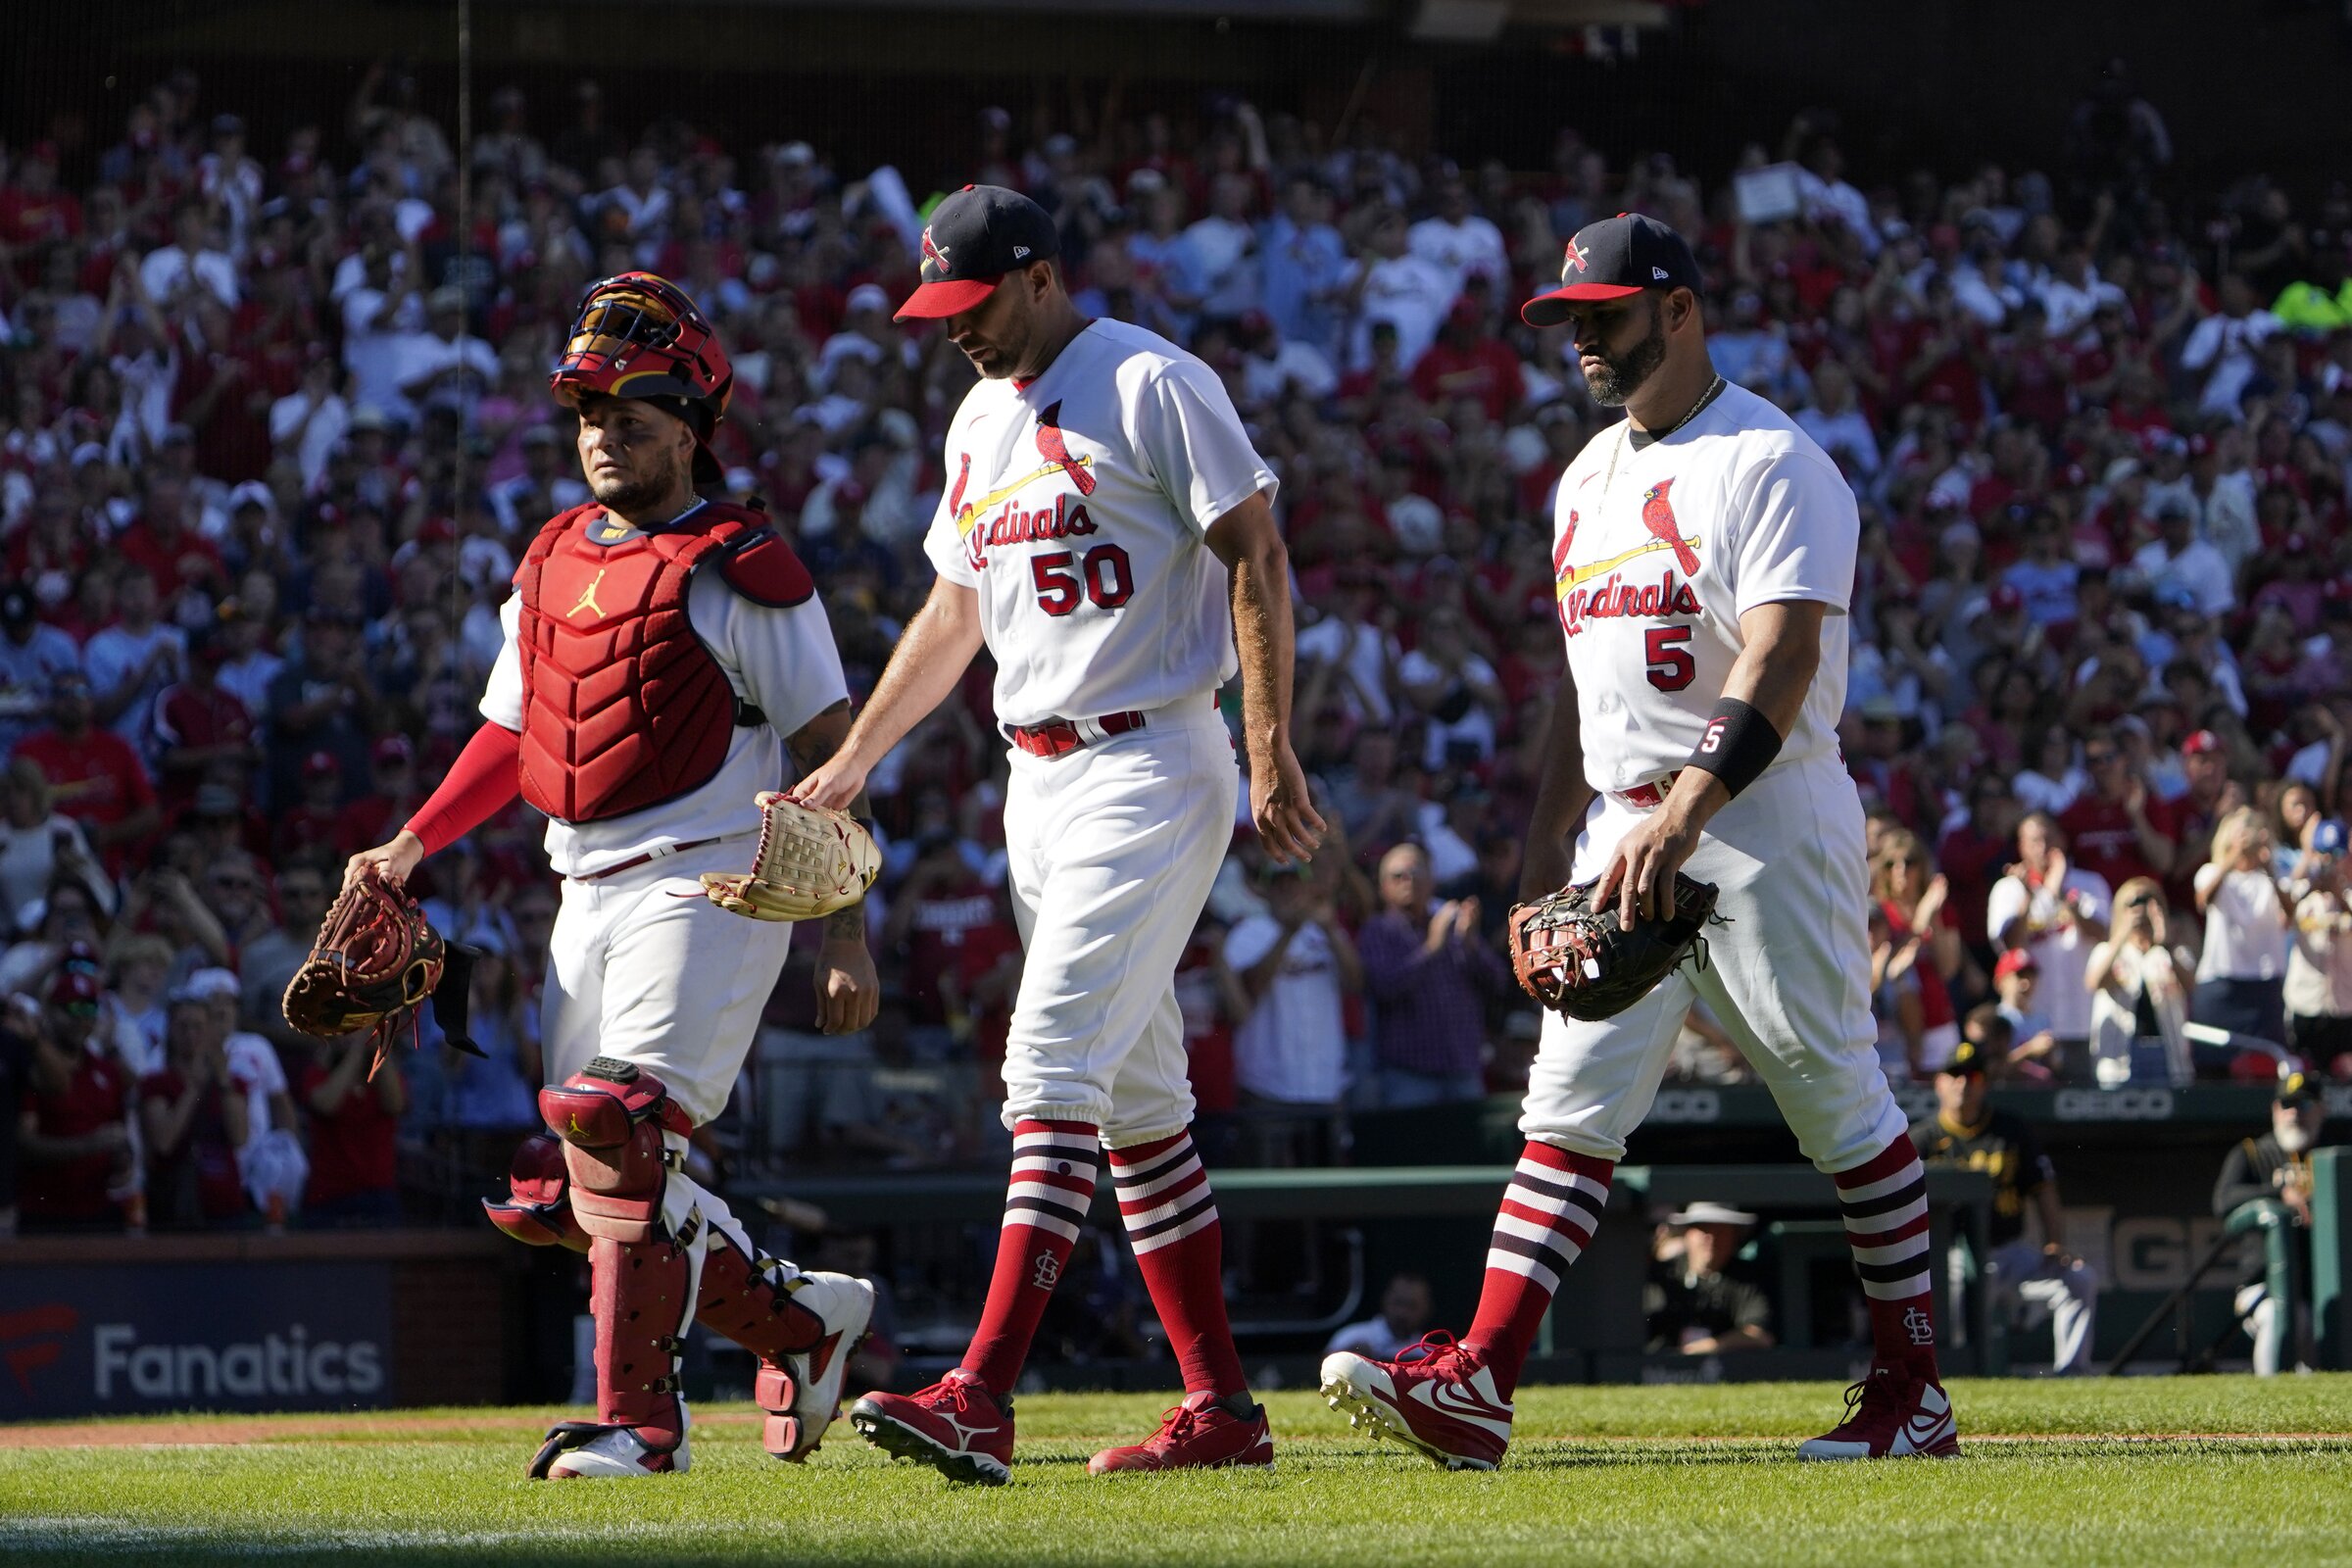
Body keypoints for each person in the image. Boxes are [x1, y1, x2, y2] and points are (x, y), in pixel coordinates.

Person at [1319, 214, 1957, 1469]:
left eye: (1605, 315)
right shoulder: (1585, 478)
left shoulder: (1772, 457)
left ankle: (1913, 1389)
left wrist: (1686, 811)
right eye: (1567, 322)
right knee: (1565, 1108)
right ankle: (1482, 1382)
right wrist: (1543, 847)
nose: (1582, 343)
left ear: (1679, 308)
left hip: (1761, 808)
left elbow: (1780, 657)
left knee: (1835, 1096)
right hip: (1622, 817)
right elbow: (1580, 687)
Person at [797, 185, 1324, 1483]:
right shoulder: (979, 418)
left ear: (1038, 278)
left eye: (972, 303)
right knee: (1140, 1105)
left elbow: (1257, 551)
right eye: (940, 308)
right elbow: (955, 606)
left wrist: (1268, 743)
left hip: (1153, 752)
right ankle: (1223, 1411)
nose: (955, 331)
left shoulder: (1149, 379)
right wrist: (856, 759)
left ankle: (980, 1394)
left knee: (1046, 1068)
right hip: (1039, 775)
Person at [348, 271, 878, 1480]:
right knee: (591, 1188)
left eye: (630, 417)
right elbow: (511, 730)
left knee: (616, 1125)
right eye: (589, 415)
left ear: (690, 429)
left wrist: (847, 930)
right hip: (579, 889)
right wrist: (412, 841)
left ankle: (642, 1427)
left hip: (716, 880)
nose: (602, 436)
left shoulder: (741, 564)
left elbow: (831, 753)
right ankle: (809, 1323)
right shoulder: (546, 558)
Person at [1912, 1040, 2097, 1374]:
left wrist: (2054, 1242)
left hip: (2011, 1254)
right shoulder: (1922, 1139)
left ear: (1985, 1083)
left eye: (1973, 1076)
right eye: (1955, 1075)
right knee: (1949, 1293)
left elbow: (2044, 1189)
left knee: (2079, 1278)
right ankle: (1954, 1376)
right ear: (1938, 1082)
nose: (1964, 1084)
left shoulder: (2009, 1129)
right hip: (1953, 1257)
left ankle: (2072, 1375)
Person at [1356, 842, 1509, 1106]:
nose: (1409, 881)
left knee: (1469, 1147)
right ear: (1383, 887)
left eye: (1417, 872)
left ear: (1432, 879)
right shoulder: (1378, 930)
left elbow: (1498, 981)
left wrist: (1472, 943)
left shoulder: (1452, 924)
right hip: (1409, 1074)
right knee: (1414, 1148)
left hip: (1462, 1067)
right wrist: (1431, 948)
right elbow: (1384, 987)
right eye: (1399, 875)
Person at [2213, 1071, 2330, 1375]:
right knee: (2284, 1314)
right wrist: (2278, 1193)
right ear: (2275, 1110)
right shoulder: (2252, 1153)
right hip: (2262, 1287)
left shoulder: (2335, 1155)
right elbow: (2223, 1201)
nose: (2294, 1114)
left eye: (2304, 1105)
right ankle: (2271, 1396)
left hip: (2326, 1288)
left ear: (2322, 1109)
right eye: (2286, 1105)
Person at [1985, 813, 2112, 1074]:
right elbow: (2010, 947)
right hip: (2031, 1027)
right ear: (2021, 846)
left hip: (2084, 1019)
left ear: (2062, 840)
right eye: (2033, 841)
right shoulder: (2008, 889)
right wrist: (2028, 899)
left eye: (2048, 838)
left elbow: (2105, 934)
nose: (2042, 847)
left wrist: (2063, 894)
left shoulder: (2090, 883)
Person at [2191, 807, 2292, 1050]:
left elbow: (2289, 913)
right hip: (2220, 982)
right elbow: (2203, 899)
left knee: (2269, 1064)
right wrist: (2233, 857)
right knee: (2212, 1066)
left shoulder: (2274, 878)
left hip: (2264, 985)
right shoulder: (2211, 872)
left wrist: (2269, 866)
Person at [2084, 876, 2192, 1087]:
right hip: (2121, 1056)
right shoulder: (2108, 951)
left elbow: (2190, 985)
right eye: (2134, 903)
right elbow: (2094, 981)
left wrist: (2165, 941)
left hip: (2167, 1053)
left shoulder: (2171, 952)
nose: (2141, 910)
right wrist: (2122, 932)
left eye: (2149, 901)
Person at [1642, 1202, 1776, 1356]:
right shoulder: (1662, 1274)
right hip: (1657, 1369)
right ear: (1686, 1233)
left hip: (1724, 1370)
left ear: (1735, 1236)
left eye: (1720, 1230)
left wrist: (1708, 1347)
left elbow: (1760, 1335)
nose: (1711, 1237)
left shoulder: (1748, 1278)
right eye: (1703, 1228)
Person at [1327, 1272, 1436, 1362]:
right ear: (1385, 1299)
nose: (1402, 1313)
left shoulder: (1429, 1353)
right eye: (1398, 1303)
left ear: (1426, 1308)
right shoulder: (1351, 1336)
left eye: (1412, 1306)